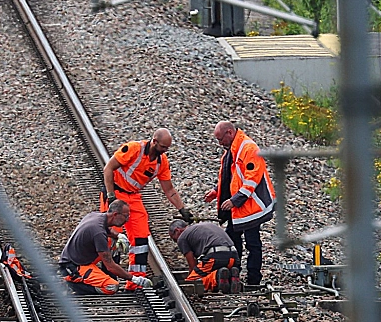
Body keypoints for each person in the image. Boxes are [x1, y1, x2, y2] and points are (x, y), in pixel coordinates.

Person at [101, 127, 194, 275]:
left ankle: (137, 278)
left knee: (141, 235)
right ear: (154, 141)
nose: (164, 151)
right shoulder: (133, 149)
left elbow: (169, 190)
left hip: (133, 196)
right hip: (116, 192)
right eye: (163, 147)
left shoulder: (161, 162)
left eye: (167, 148)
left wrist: (182, 209)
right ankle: (108, 275)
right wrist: (111, 196)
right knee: (112, 235)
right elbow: (108, 168)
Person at [204, 121, 275, 286]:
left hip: (251, 207)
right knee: (232, 241)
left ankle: (253, 280)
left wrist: (234, 201)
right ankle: (233, 274)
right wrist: (217, 192)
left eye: (221, 139)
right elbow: (232, 177)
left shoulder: (248, 149)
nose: (220, 143)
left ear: (229, 132)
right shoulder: (234, 149)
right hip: (240, 208)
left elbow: (251, 179)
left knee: (252, 243)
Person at [59, 199, 153, 295]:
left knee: (113, 243)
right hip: (73, 266)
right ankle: (72, 284)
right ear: (115, 215)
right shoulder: (98, 233)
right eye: (126, 216)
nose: (128, 219)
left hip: (81, 258)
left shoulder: (96, 216)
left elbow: (108, 230)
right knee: (111, 287)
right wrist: (134, 279)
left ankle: (106, 276)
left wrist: (119, 236)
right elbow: (110, 266)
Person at [169, 219, 241, 294]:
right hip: (234, 256)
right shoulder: (206, 225)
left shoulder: (182, 237)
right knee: (215, 269)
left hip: (216, 256)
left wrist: (191, 277)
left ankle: (217, 277)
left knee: (192, 282)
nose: (176, 242)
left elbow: (192, 265)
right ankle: (231, 276)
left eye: (174, 239)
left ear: (177, 230)